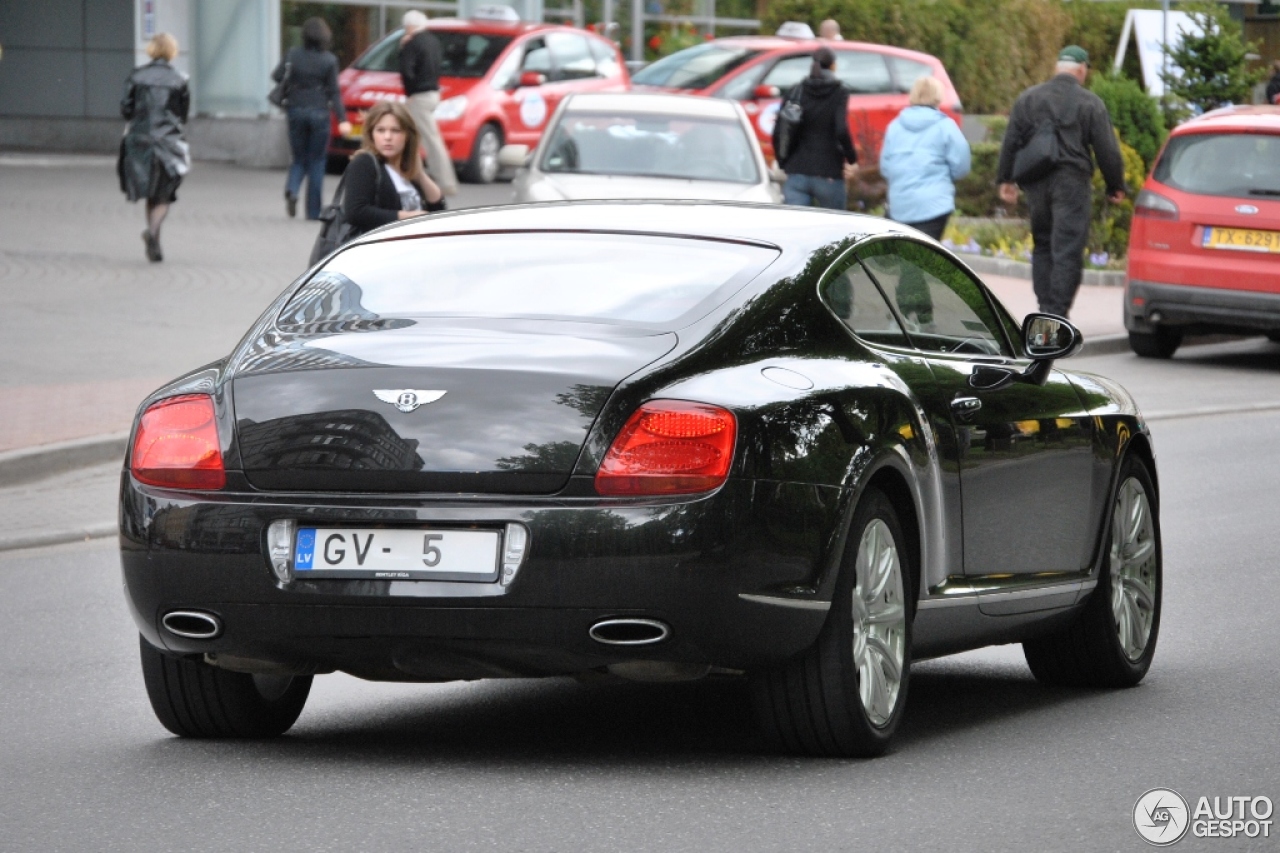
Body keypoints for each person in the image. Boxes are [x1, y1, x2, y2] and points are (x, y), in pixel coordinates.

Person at [997, 45, 1125, 318]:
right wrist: (1115, 185)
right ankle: (1056, 314)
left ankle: (1044, 308)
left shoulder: (1028, 99)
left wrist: (1006, 180)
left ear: (1058, 68)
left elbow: (1010, 141)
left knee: (1042, 243)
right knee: (1067, 247)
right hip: (1072, 182)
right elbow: (1107, 150)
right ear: (1081, 70)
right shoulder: (1090, 103)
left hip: (1036, 182)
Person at [118, 32, 190, 263]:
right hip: (168, 142)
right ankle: (153, 233)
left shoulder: (137, 76)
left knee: (150, 191)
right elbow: (183, 114)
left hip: (140, 141)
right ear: (171, 51)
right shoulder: (179, 79)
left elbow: (126, 109)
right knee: (164, 193)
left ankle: (155, 240)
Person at [271, 17, 351, 220]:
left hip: (295, 109)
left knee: (298, 158)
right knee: (317, 160)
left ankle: (292, 189)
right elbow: (334, 92)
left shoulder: (293, 54)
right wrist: (342, 119)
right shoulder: (329, 60)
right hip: (319, 112)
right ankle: (313, 212)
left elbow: (277, 75)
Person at [879, 75, 971, 240]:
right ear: (938, 96)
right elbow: (961, 165)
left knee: (901, 258)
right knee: (925, 259)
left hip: (900, 206)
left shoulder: (894, 126)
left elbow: (885, 168)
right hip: (934, 205)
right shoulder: (946, 126)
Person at [342, 101, 444, 240]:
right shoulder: (364, 163)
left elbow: (439, 210)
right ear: (371, 134)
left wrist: (419, 174)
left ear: (408, 135)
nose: (387, 137)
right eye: (381, 130)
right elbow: (356, 212)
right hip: (380, 251)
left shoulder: (408, 168)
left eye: (395, 130)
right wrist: (407, 217)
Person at [771, 47, 858, 210]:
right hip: (829, 173)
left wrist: (784, 162)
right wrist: (852, 159)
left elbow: (780, 130)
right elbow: (841, 129)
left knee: (797, 231)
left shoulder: (796, 90)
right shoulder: (840, 91)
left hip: (797, 172)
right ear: (833, 66)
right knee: (835, 231)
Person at [400, 10, 459, 196]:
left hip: (419, 95)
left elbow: (406, 70)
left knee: (426, 139)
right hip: (434, 93)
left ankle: (444, 182)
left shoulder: (411, 44)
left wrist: (409, 92)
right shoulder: (434, 42)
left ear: (410, 26)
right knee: (416, 136)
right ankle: (414, 176)